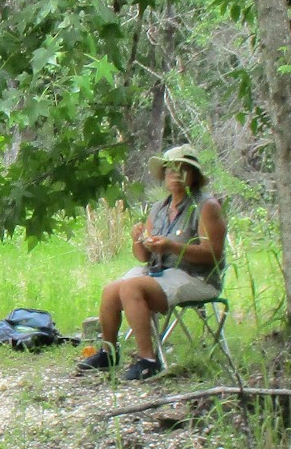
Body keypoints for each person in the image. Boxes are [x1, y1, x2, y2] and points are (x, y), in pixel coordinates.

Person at [76, 143, 227, 382]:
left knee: (132, 287)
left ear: (194, 175)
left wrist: (171, 246)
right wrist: (138, 240)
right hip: (160, 271)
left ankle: (148, 361)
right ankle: (108, 352)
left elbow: (214, 254)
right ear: (164, 176)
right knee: (111, 290)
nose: (175, 174)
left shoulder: (206, 206)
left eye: (182, 169)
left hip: (196, 277)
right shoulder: (159, 208)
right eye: (170, 170)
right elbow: (144, 257)